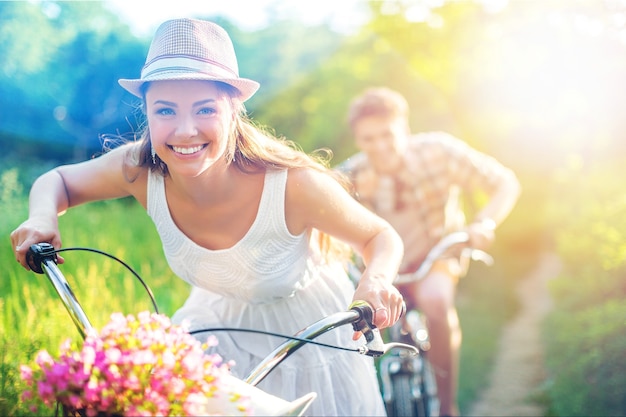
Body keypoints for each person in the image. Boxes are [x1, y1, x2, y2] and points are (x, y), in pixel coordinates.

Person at [10, 19, 405, 416]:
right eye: (165, 110)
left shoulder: (290, 184)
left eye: (205, 109)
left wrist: (375, 280)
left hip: (308, 335)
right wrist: (43, 218)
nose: (185, 131)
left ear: (233, 109)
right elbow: (57, 179)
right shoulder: (139, 169)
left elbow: (380, 235)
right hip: (217, 327)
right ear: (146, 110)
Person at [339, 87, 521, 417]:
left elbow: (505, 183)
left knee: (436, 300)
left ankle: (447, 406)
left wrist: (483, 223)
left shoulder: (439, 151)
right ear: (358, 140)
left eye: (387, 135)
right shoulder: (350, 175)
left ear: (404, 129)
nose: (379, 146)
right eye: (368, 139)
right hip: (385, 268)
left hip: (436, 255)